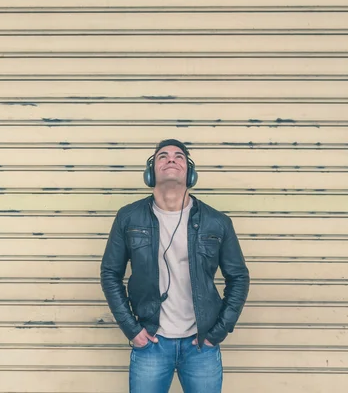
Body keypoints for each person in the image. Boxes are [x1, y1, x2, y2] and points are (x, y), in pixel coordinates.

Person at [100, 139, 250, 393]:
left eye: (179, 156)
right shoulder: (129, 217)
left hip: (201, 345)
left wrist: (217, 333)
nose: (171, 159)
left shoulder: (217, 222)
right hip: (151, 342)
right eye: (163, 156)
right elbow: (110, 274)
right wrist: (132, 330)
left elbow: (238, 278)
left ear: (189, 172)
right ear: (151, 172)